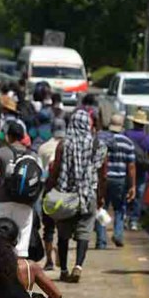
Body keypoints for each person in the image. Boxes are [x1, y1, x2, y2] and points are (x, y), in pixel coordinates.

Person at [47, 109, 108, 283]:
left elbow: (56, 170)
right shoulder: (98, 145)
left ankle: (64, 270)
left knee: (64, 233)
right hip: (88, 195)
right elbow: (103, 174)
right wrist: (101, 196)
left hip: (66, 196)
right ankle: (78, 266)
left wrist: (50, 188)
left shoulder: (64, 144)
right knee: (84, 232)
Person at [0, 122, 36, 258]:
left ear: (8, 136)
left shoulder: (1, 153)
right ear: (22, 136)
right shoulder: (32, 154)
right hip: (26, 203)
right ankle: (19, 271)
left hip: (4, 200)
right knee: (22, 240)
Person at [95, 114, 136, 249]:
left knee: (102, 208)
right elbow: (131, 166)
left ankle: (101, 241)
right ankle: (118, 235)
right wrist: (133, 185)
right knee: (119, 208)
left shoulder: (102, 140)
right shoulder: (128, 143)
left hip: (103, 179)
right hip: (120, 179)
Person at [38, 119, 66, 271]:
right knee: (63, 228)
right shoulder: (70, 147)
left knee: (48, 228)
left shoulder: (43, 148)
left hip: (48, 193)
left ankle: (49, 259)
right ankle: (61, 257)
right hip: (65, 193)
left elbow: (41, 174)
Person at [125, 110, 149, 230]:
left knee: (127, 192)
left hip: (127, 168)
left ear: (133, 122)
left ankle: (125, 216)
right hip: (142, 171)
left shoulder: (126, 134)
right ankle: (134, 221)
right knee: (138, 195)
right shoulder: (147, 138)